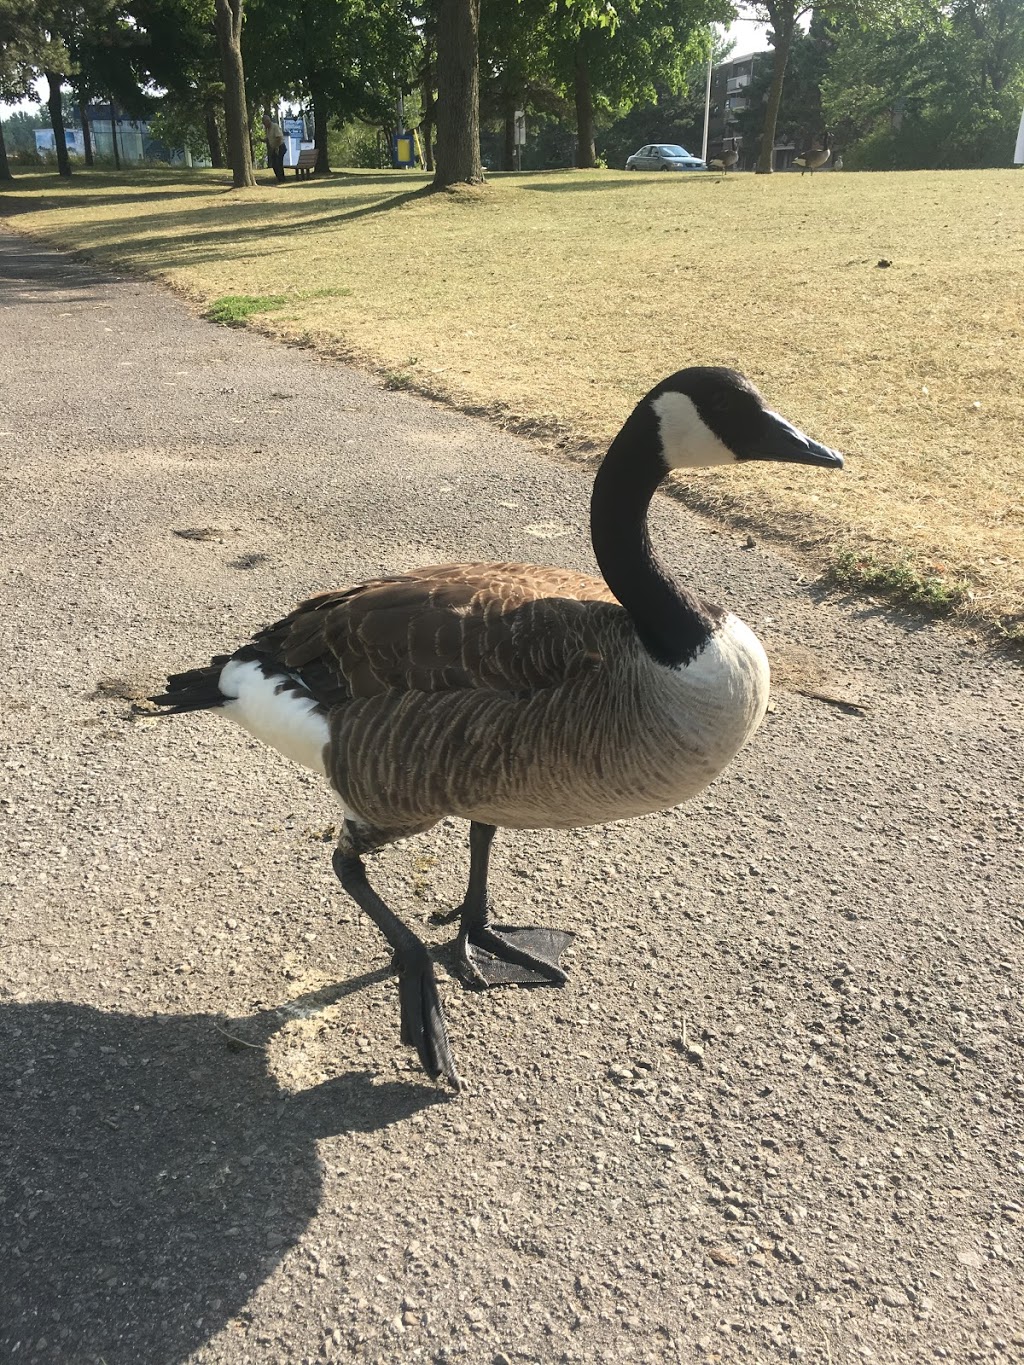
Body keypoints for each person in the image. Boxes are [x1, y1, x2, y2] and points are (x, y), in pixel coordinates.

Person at [263, 114, 286, 182]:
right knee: (274, 164)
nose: (264, 125)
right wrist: (262, 140)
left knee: (278, 163)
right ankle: (279, 178)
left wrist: (276, 147)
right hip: (275, 148)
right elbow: (269, 138)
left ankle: (282, 179)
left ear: (268, 121)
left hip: (280, 146)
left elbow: (278, 138)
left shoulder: (274, 126)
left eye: (264, 123)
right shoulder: (268, 129)